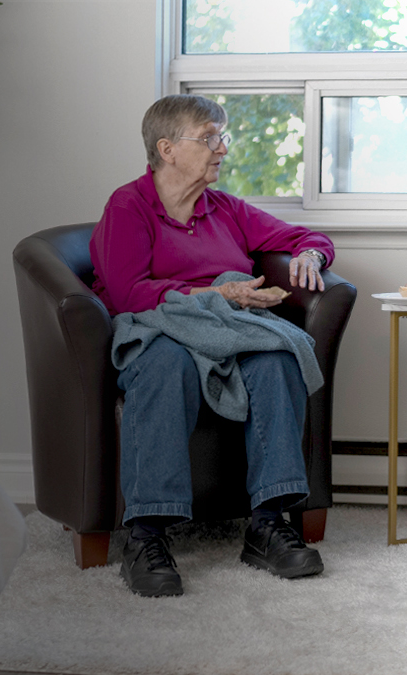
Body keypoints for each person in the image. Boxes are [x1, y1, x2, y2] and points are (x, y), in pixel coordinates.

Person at [89, 94, 334, 597]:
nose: (222, 148)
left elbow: (306, 237)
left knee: (277, 357)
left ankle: (268, 523)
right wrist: (217, 294)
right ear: (168, 149)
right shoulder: (128, 206)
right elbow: (128, 293)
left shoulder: (224, 208)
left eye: (222, 137)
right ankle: (146, 534)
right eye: (209, 138)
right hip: (160, 325)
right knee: (166, 362)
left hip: (226, 325)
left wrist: (310, 254)